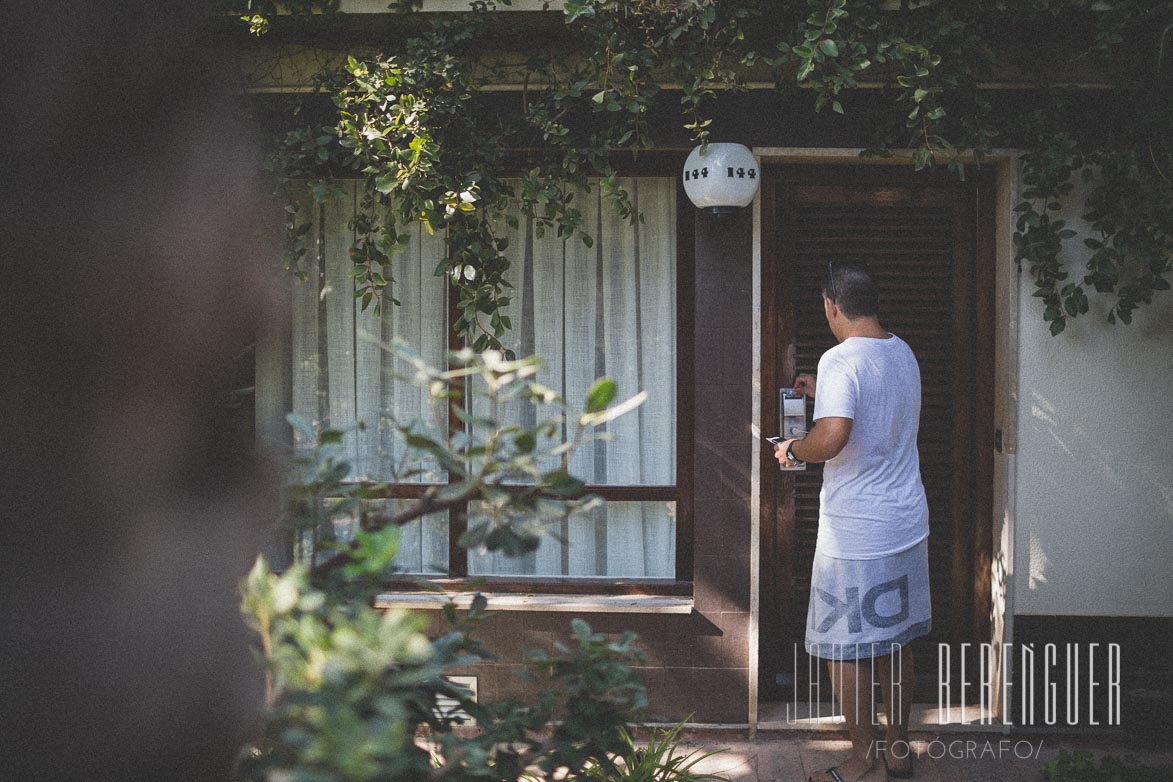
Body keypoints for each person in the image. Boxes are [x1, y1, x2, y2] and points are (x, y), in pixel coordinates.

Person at [775, 259, 931, 782]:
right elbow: (877, 409)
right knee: (895, 639)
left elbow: (834, 438)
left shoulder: (841, 359)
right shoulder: (901, 351)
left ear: (831, 305)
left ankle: (863, 762)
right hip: (905, 522)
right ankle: (898, 748)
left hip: (855, 532)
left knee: (844, 647)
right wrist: (823, 392)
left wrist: (794, 448)